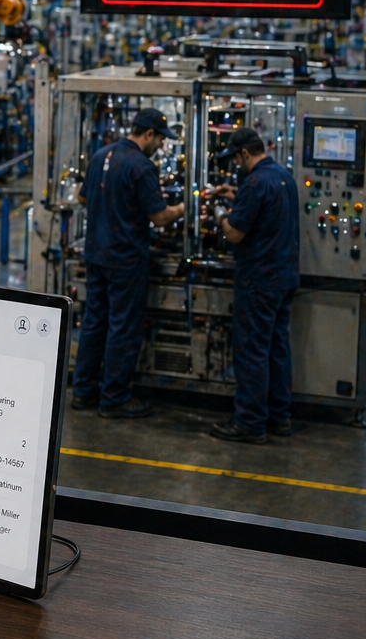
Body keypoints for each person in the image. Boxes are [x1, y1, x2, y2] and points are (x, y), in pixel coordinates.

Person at [70, 107, 186, 418]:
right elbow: (159, 216)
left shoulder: (101, 155)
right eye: (160, 139)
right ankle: (116, 398)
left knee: (94, 323)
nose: (160, 146)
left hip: (96, 254)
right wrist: (184, 207)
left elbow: (82, 198)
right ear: (148, 134)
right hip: (125, 260)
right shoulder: (141, 166)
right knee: (122, 328)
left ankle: (83, 391)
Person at [206, 126, 300, 443]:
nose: (235, 164)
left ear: (245, 153)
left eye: (235, 158)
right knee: (276, 347)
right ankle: (279, 417)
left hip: (259, 279)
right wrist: (236, 193)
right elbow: (265, 206)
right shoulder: (283, 177)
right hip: (284, 277)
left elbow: (234, 233)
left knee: (252, 351)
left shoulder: (255, 182)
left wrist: (220, 214)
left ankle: (249, 422)